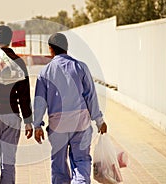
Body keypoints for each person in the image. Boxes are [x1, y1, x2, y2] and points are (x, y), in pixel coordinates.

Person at [33, 33, 107, 184]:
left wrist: (37, 125)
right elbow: (90, 96)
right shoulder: (80, 67)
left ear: (50, 49)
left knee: (58, 165)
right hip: (81, 123)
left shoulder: (45, 72)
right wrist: (99, 121)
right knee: (81, 161)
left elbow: (40, 102)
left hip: (57, 125)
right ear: (66, 48)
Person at [0, 25, 33, 184]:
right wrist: (28, 121)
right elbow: (24, 95)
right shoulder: (18, 62)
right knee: (8, 161)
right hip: (11, 116)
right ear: (9, 40)